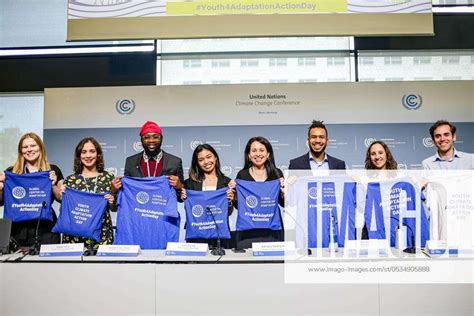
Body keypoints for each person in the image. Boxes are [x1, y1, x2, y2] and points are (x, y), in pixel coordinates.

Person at [0, 132, 63, 247]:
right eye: (25, 147)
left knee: (48, 265)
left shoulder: (52, 170)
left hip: (46, 231)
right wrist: (1, 187)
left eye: (33, 146)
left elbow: (61, 198)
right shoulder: (11, 172)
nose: (29, 150)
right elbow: (0, 201)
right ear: (21, 151)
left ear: (40, 147)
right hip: (18, 231)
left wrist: (53, 185)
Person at [58, 137, 115, 251]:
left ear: (98, 154)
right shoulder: (70, 180)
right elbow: (64, 211)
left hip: (102, 236)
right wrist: (62, 196)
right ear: (79, 155)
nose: (88, 156)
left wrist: (112, 201)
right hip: (74, 237)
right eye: (84, 152)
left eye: (92, 151)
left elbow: (113, 208)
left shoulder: (108, 178)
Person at [235, 136, 285, 249]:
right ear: (248, 155)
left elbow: (284, 203)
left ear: (268, 154)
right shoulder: (242, 175)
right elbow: (239, 206)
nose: (258, 154)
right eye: (254, 150)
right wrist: (233, 195)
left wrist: (284, 192)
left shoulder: (276, 173)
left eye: (261, 150)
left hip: (272, 231)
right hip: (248, 232)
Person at [181, 144, 235, 248]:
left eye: (209, 157)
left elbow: (228, 213)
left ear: (215, 157)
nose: (206, 162)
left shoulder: (227, 182)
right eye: (201, 159)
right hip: (197, 236)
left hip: (219, 235)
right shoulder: (189, 184)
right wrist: (184, 197)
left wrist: (229, 201)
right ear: (197, 163)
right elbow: (189, 209)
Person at [111, 120, 184, 191]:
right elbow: (127, 191)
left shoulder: (175, 162)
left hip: (163, 203)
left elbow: (181, 198)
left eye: (155, 137)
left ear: (161, 139)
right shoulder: (131, 161)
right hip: (139, 202)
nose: (151, 140)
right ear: (141, 140)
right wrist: (114, 190)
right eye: (146, 137)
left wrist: (179, 187)